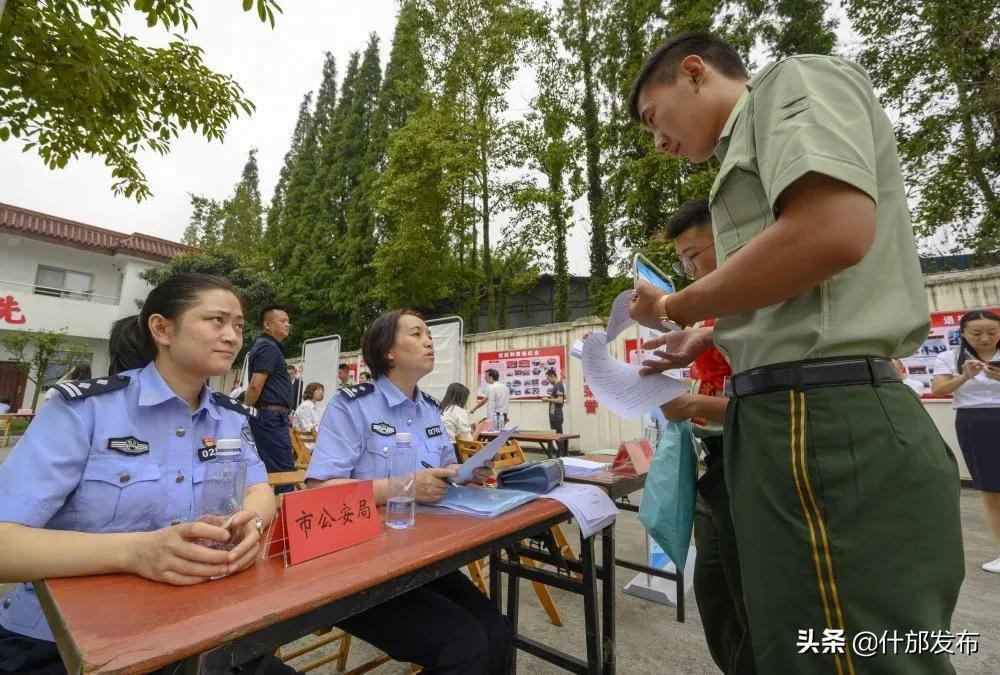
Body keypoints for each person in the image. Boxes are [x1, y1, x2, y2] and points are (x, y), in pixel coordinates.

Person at [627, 32, 962, 673]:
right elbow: (803, 297)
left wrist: (676, 306)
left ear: (693, 72)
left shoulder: (792, 83)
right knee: (795, 641)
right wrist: (707, 334)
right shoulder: (741, 153)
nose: (657, 141)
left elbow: (829, 230)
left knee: (853, 649)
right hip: (786, 418)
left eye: (652, 118)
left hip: (824, 420)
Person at [0, 273, 294, 675]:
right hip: (67, 643)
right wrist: (136, 552)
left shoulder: (229, 417)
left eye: (239, 326)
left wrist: (254, 522)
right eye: (216, 320)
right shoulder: (85, 411)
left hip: (201, 624)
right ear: (162, 328)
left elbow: (260, 488)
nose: (232, 336)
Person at [306, 309, 510, 674]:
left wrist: (466, 473)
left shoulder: (430, 408)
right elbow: (319, 491)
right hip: (362, 568)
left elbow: (443, 474)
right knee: (465, 647)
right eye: (416, 334)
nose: (428, 341)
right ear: (388, 351)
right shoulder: (352, 404)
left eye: (428, 335)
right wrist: (405, 487)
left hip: (424, 558)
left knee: (497, 631)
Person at [652, 197, 753, 675]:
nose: (689, 270)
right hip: (710, 463)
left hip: (748, 463)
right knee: (715, 594)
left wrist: (694, 405)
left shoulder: (760, 306)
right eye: (682, 262)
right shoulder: (709, 314)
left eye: (694, 255)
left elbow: (770, 404)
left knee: (749, 597)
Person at [931, 310, 1000, 573]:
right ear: (963, 334)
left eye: (992, 333)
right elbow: (939, 390)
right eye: (976, 333)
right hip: (975, 422)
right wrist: (965, 377)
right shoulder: (948, 357)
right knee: (991, 489)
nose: (985, 338)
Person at [244, 305, 297, 493]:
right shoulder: (268, 347)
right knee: (284, 470)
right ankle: (284, 518)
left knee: (273, 468)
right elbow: (255, 385)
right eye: (282, 321)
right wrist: (244, 413)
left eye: (288, 321)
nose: (288, 324)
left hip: (272, 417)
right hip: (270, 417)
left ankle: (273, 515)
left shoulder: (269, 347)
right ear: (267, 324)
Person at [539, 369, 568, 456]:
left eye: (548, 379)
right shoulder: (556, 386)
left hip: (556, 416)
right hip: (553, 416)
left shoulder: (559, 386)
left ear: (552, 376)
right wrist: (547, 398)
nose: (548, 381)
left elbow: (560, 400)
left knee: (558, 436)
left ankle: (562, 455)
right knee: (556, 436)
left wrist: (548, 399)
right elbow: (555, 399)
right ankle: (560, 453)